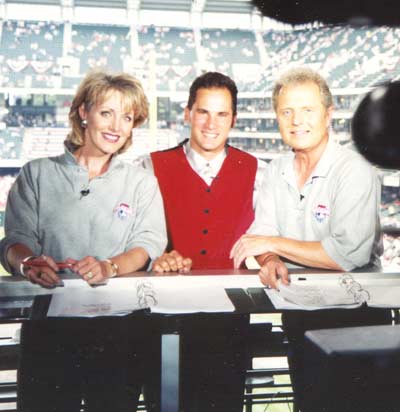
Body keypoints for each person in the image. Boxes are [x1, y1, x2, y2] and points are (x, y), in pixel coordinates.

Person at [0, 70, 167, 412]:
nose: (116, 126)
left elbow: (147, 244)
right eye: (107, 112)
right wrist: (28, 262)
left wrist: (110, 266)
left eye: (127, 117)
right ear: (83, 112)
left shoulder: (140, 182)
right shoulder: (38, 173)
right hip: (49, 329)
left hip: (119, 332)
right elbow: (15, 241)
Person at [230, 67, 391, 411]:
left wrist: (273, 245)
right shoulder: (275, 170)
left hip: (355, 317)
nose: (296, 120)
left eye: (307, 110)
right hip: (299, 312)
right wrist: (270, 259)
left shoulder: (355, 169)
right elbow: (262, 240)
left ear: (329, 114)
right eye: (287, 111)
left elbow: (346, 254)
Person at [139, 71, 264, 412]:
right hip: (164, 312)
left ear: (233, 119)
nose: (212, 123)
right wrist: (157, 257)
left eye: (222, 114)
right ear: (188, 113)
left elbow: (270, 237)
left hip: (230, 319)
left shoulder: (258, 172)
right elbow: (134, 237)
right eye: (203, 112)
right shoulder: (150, 167)